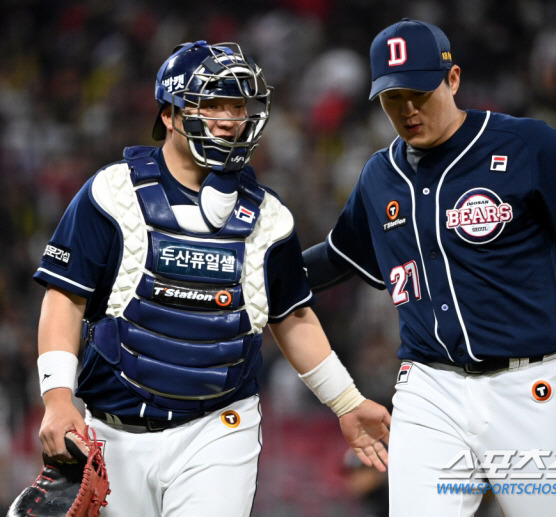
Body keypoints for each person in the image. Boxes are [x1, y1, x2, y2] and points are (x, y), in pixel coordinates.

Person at [303, 18, 556, 517]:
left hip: (529, 387)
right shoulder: (380, 175)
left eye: (419, 92)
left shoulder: (527, 144)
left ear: (454, 79)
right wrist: (262, 275)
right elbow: (338, 257)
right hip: (428, 389)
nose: (407, 109)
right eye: (393, 97)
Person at [33, 41, 390, 517]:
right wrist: (57, 399)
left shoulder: (270, 216)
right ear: (170, 113)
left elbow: (293, 317)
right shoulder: (111, 192)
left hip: (218, 430)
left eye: (238, 106)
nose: (228, 117)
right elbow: (64, 297)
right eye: (213, 103)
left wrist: (347, 402)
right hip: (111, 430)